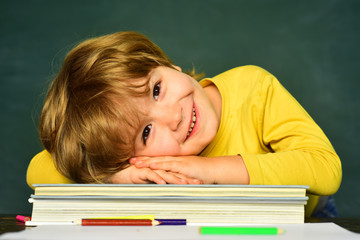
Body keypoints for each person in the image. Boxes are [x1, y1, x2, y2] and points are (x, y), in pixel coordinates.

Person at [26, 31, 342, 217]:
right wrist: (117, 174)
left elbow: (326, 169)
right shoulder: (136, 167)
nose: (172, 116)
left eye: (156, 90)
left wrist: (209, 170)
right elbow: (37, 170)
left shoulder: (254, 88)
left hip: (305, 222)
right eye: (146, 133)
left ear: (166, 64)